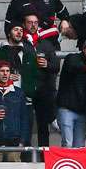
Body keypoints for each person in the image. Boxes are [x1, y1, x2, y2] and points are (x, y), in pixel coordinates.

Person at [23, 13, 60, 149]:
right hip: (25, 90)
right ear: (24, 24)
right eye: (29, 22)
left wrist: (47, 65)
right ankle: (25, 158)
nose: (33, 25)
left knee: (43, 126)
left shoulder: (46, 44)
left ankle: (44, 158)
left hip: (43, 90)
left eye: (35, 22)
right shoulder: (20, 43)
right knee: (25, 125)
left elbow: (56, 66)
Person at [56, 37, 86, 148]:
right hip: (66, 109)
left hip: (82, 112)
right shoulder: (72, 58)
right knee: (67, 144)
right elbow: (72, 66)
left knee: (80, 147)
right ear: (83, 49)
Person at [0, 24, 37, 106]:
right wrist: (5, 77)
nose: (19, 32)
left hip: (25, 101)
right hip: (3, 100)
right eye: (16, 29)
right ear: (9, 33)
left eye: (21, 30)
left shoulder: (28, 54)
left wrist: (31, 91)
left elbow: (36, 76)